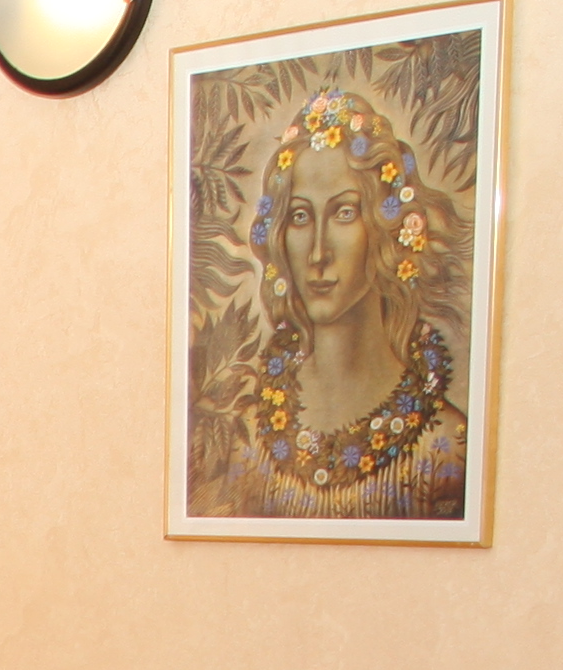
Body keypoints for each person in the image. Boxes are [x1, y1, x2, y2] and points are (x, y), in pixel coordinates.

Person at [196, 85, 467, 521]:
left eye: (344, 212)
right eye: (300, 216)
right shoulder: (244, 434)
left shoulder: (448, 446)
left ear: (386, 227)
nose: (318, 251)